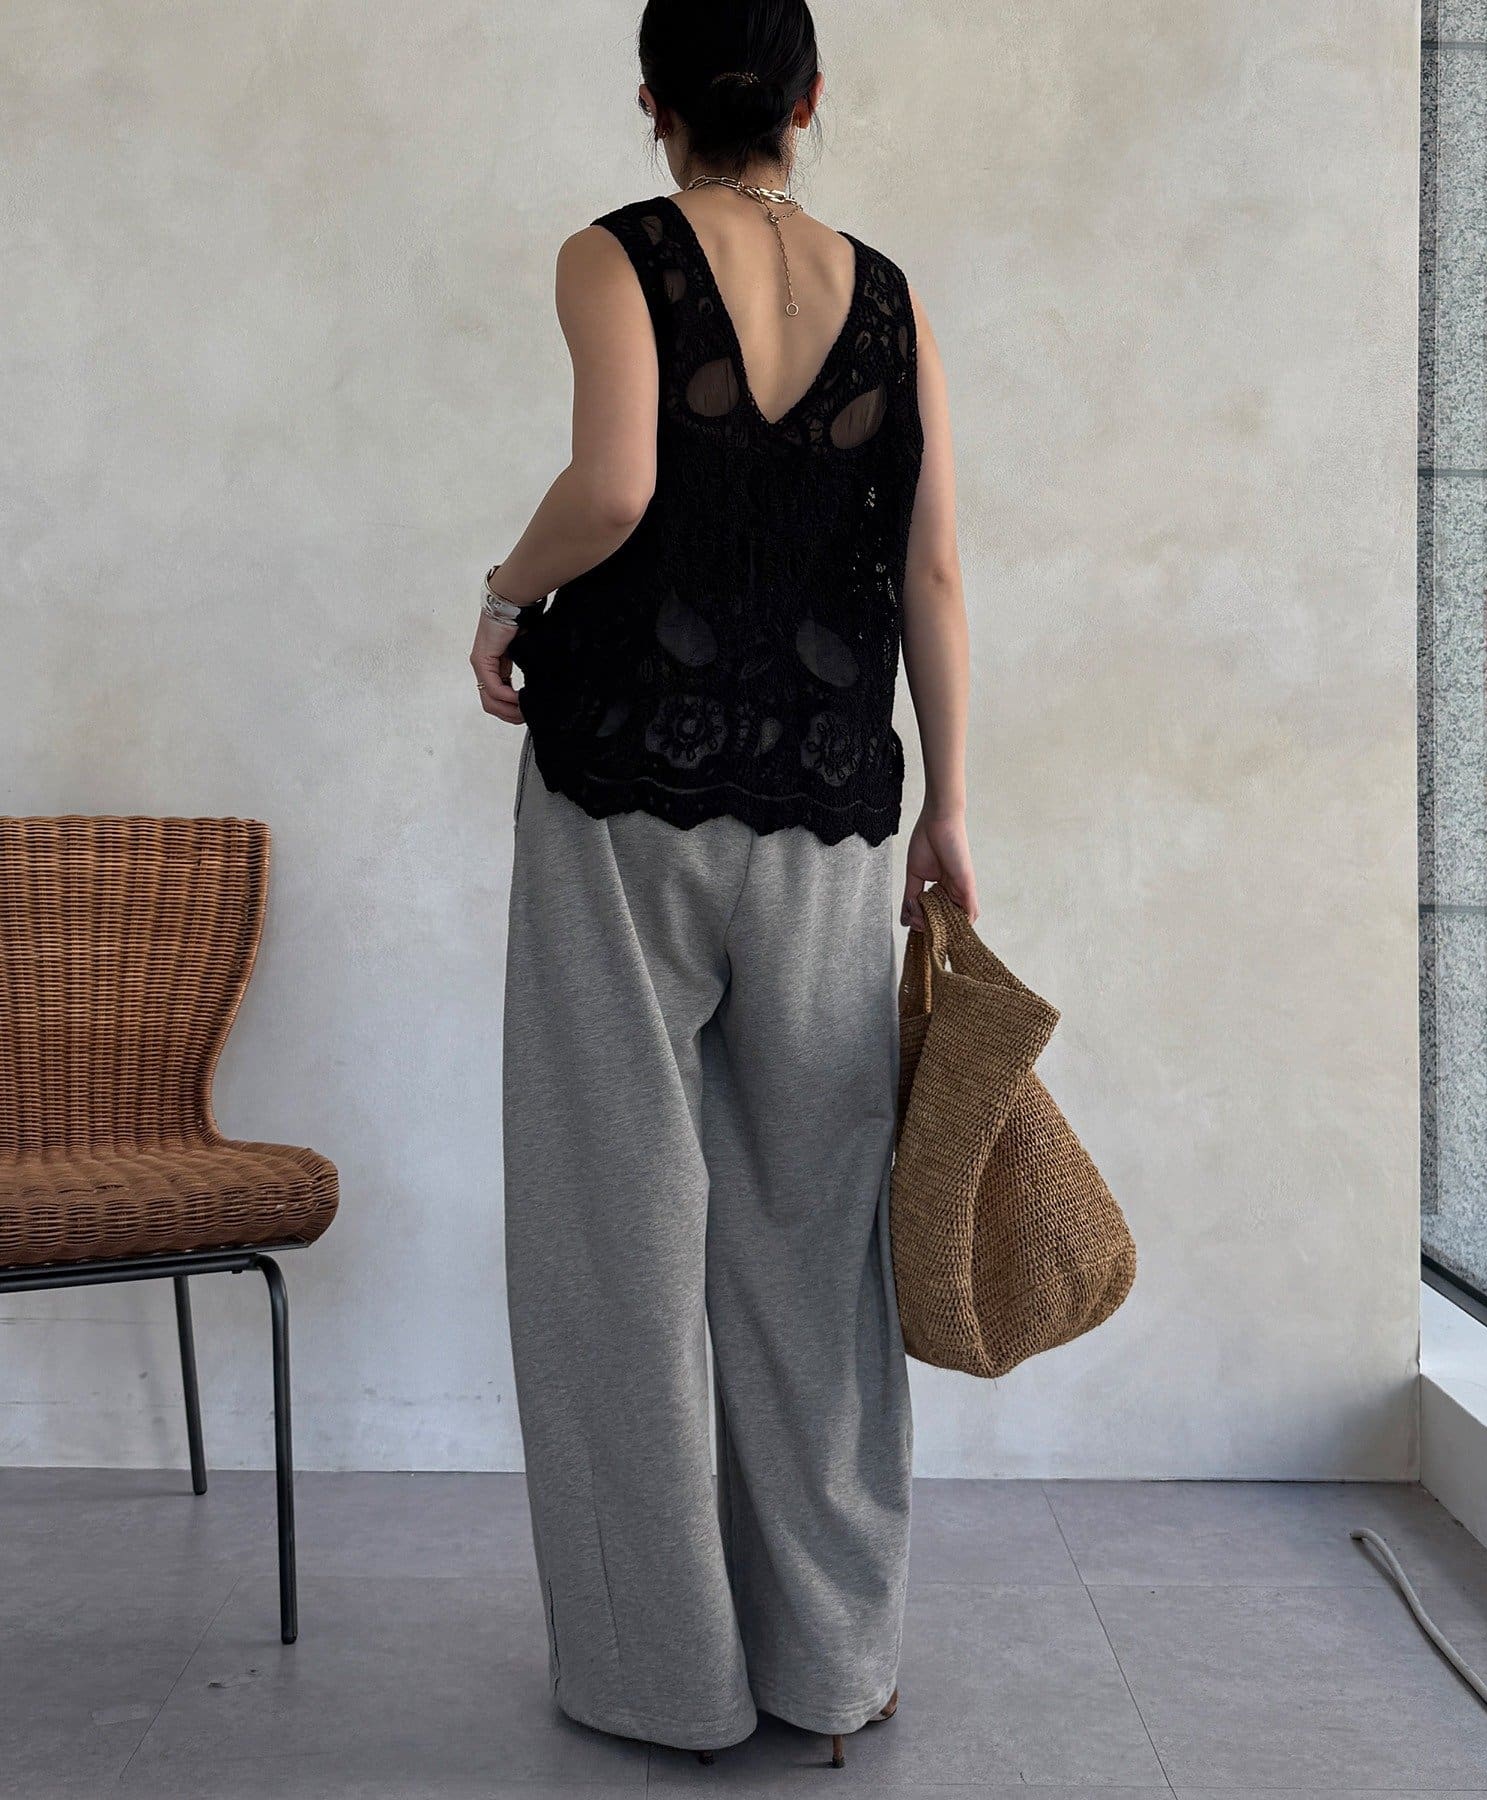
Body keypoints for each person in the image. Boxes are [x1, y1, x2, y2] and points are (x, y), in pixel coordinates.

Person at [471, 0, 976, 1766]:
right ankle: (832, 1666)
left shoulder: (612, 255)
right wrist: (952, 805)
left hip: (620, 796)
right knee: (813, 1243)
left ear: (651, 99)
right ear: (809, 98)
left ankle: (658, 1680)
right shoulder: (892, 297)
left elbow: (613, 488)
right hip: (833, 811)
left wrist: (504, 593)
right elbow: (932, 570)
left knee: (611, 1232)